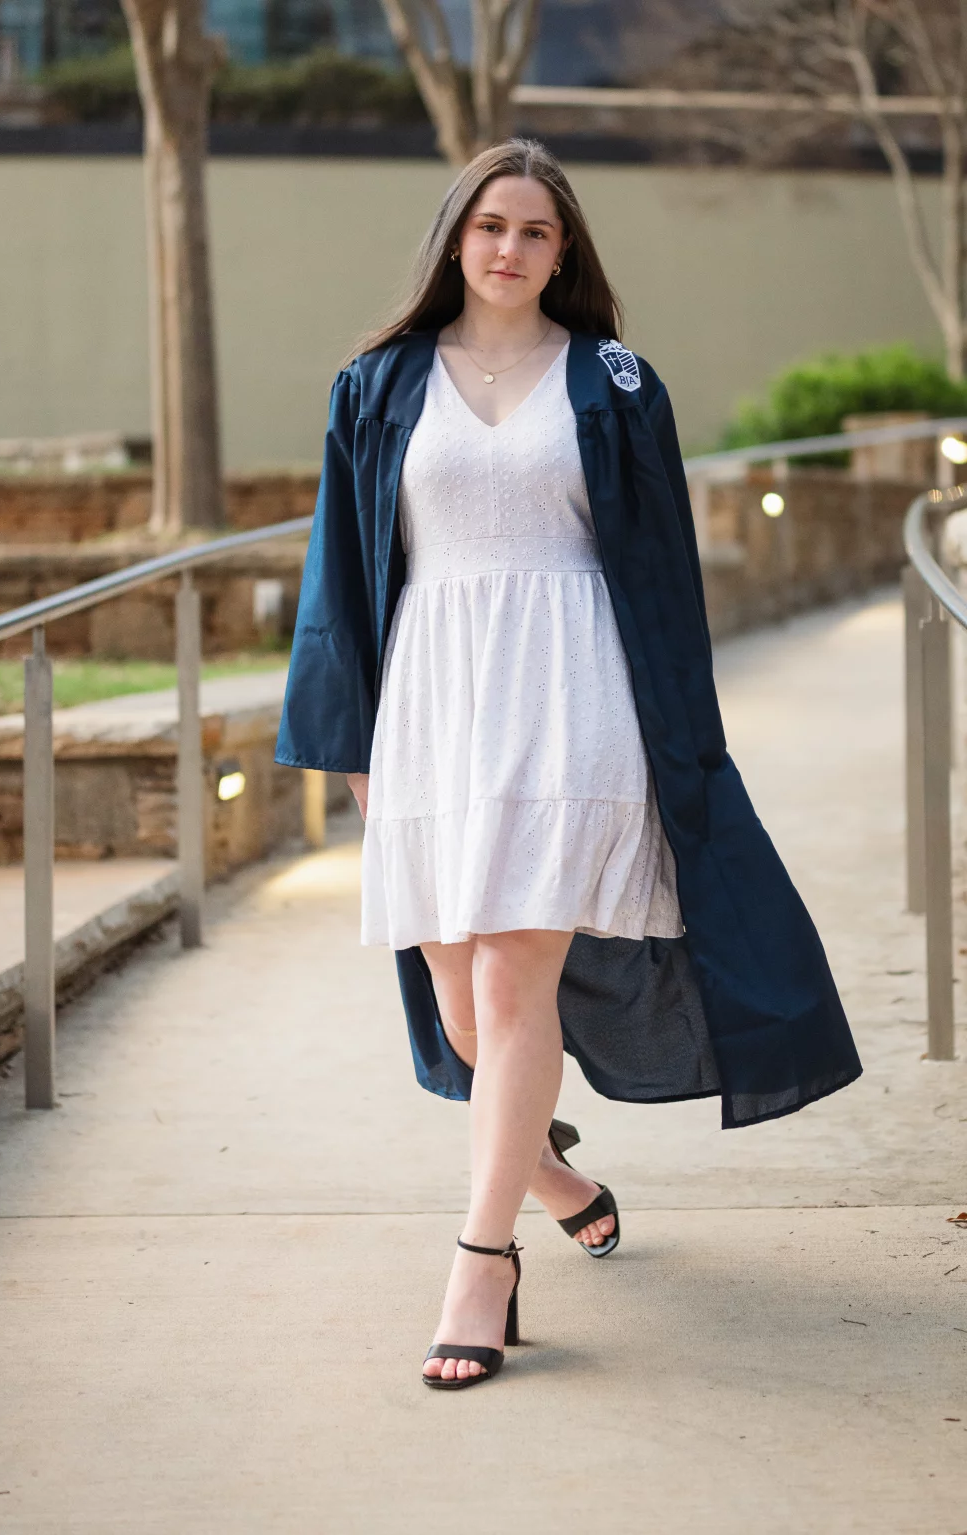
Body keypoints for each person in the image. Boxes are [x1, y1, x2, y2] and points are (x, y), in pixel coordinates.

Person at [275, 138, 862, 1391]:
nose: (508, 248)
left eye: (535, 231)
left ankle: (478, 1259)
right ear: (454, 238)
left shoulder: (611, 379)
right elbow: (341, 576)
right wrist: (350, 747)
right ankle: (549, 1174)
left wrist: (677, 743)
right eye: (489, 225)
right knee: (455, 998)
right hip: (432, 696)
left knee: (512, 972)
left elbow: (660, 574)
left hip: (571, 687)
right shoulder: (376, 384)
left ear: (564, 250)